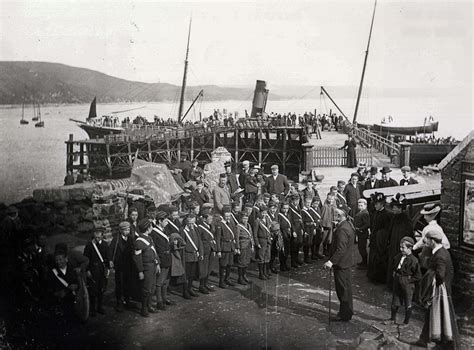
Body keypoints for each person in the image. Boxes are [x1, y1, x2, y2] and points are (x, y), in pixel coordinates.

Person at [413, 229, 459, 349]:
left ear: (432, 241)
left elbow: (440, 275)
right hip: (443, 290)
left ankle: (449, 345)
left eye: (427, 239)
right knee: (433, 315)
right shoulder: (442, 252)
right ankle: (424, 339)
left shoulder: (440, 256)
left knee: (443, 317)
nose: (425, 241)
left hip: (440, 292)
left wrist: (431, 284)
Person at [323, 209, 355, 322]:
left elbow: (341, 249)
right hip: (345, 263)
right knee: (345, 289)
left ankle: (345, 315)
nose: (333, 216)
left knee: (343, 290)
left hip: (341, 264)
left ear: (340, 216)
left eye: (335, 215)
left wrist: (331, 262)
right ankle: (347, 312)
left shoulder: (342, 230)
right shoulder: (347, 225)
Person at [385, 237, 421, 326]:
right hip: (397, 280)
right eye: (400, 247)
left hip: (407, 283)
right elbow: (394, 266)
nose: (401, 249)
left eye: (403, 248)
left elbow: (418, 275)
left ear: (410, 248)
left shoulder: (414, 261)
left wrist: (409, 280)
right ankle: (392, 319)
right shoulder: (398, 257)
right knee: (395, 300)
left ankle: (406, 322)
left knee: (408, 302)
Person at [134, 218, 160, 317]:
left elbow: (154, 252)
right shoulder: (139, 241)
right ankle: (143, 308)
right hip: (146, 267)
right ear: (147, 228)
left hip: (153, 265)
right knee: (146, 288)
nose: (152, 228)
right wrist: (140, 271)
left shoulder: (149, 238)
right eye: (150, 226)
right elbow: (137, 258)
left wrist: (157, 264)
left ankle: (149, 306)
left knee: (152, 287)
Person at [386, 194, 413, 287]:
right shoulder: (394, 217)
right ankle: (391, 283)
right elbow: (390, 230)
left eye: (395, 207)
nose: (393, 209)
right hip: (393, 244)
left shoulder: (405, 219)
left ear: (400, 208)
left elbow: (409, 234)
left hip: (401, 246)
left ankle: (398, 284)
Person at [150, 211, 175, 310]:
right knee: (159, 282)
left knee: (166, 280)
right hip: (161, 259)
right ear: (160, 221)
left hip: (168, 257)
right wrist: (157, 262)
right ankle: (159, 302)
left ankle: (165, 298)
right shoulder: (154, 232)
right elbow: (154, 249)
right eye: (165, 221)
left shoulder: (164, 230)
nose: (167, 222)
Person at [108, 221, 134, 312]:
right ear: (121, 231)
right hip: (119, 266)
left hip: (128, 265)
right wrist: (110, 260)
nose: (128, 231)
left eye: (129, 229)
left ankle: (127, 300)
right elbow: (110, 250)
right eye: (126, 230)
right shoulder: (116, 239)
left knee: (128, 283)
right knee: (119, 283)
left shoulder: (131, 238)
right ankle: (119, 302)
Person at [83, 227, 109, 316]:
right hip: (93, 270)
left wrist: (108, 268)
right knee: (93, 290)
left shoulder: (105, 245)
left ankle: (100, 307)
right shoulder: (89, 245)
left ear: (102, 236)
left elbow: (108, 258)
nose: (97, 238)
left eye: (99, 235)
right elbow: (85, 259)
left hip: (102, 270)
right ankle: (93, 309)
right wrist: (87, 270)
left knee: (101, 288)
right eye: (95, 235)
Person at [367, 193, 392, 284]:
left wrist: (381, 238)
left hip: (380, 240)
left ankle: (378, 278)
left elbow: (386, 229)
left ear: (382, 204)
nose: (375, 206)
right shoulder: (375, 213)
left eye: (377, 204)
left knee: (379, 258)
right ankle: (371, 275)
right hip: (374, 238)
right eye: (375, 204)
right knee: (373, 256)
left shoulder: (386, 214)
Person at [181, 214, 204, 298]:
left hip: (195, 255)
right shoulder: (183, 231)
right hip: (188, 256)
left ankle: (190, 288)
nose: (191, 225)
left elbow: (199, 241)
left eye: (193, 223)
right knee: (186, 275)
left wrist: (201, 253)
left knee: (192, 275)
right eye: (189, 223)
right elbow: (182, 246)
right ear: (186, 222)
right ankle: (185, 291)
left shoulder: (196, 229)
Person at [216, 206, 237, 288]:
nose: (228, 218)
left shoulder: (231, 223)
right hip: (224, 247)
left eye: (229, 216)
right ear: (223, 216)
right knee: (223, 265)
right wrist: (219, 250)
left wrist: (234, 247)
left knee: (230, 264)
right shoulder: (220, 225)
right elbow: (217, 239)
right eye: (226, 216)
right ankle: (221, 281)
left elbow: (233, 235)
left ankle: (227, 279)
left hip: (231, 246)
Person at [197, 213, 217, 293]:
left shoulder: (211, 226)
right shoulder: (200, 227)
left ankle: (206, 283)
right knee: (203, 268)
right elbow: (200, 240)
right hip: (204, 249)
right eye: (209, 219)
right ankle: (201, 285)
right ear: (204, 219)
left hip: (211, 248)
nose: (211, 220)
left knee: (209, 267)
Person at [253, 206, 272, 280]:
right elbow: (255, 233)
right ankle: (261, 274)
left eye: (265, 213)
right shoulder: (257, 221)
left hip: (267, 240)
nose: (264, 214)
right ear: (260, 213)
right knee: (261, 257)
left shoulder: (267, 219)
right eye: (263, 213)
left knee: (267, 257)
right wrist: (257, 243)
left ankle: (265, 272)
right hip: (261, 241)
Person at [235, 212, 254, 285]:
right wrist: (237, 247)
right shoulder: (238, 226)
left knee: (246, 261)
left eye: (246, 218)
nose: (245, 220)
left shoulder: (248, 225)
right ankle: (240, 278)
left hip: (248, 245)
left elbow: (251, 235)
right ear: (241, 219)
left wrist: (252, 245)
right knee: (241, 262)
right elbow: (237, 238)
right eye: (244, 218)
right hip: (242, 245)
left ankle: (244, 276)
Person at [354, 199, 370, 269]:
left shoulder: (365, 213)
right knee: (360, 248)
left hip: (362, 233)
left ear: (365, 205)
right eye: (359, 205)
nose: (360, 207)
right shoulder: (361, 212)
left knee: (362, 248)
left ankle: (365, 263)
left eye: (361, 205)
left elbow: (367, 224)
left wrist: (360, 229)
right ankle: (363, 261)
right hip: (360, 233)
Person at [289, 194, 304, 268]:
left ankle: (297, 258)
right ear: (292, 200)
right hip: (294, 228)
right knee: (294, 245)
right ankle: (293, 261)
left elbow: (301, 219)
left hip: (299, 228)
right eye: (296, 200)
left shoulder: (298, 207)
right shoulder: (290, 208)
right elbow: (290, 220)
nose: (297, 202)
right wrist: (293, 231)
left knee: (299, 244)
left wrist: (301, 228)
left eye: (298, 200)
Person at [301, 196, 317, 263]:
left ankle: (309, 257)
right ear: (304, 202)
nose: (308, 204)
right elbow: (303, 222)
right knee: (306, 243)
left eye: (309, 203)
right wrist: (304, 231)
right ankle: (306, 257)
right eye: (307, 203)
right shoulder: (303, 211)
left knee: (310, 242)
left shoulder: (311, 210)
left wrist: (314, 228)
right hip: (306, 228)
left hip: (311, 227)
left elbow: (313, 219)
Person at [277, 202, 292, 271]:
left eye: (287, 208)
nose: (286, 210)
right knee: (282, 251)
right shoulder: (279, 215)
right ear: (281, 208)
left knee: (287, 250)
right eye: (284, 208)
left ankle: (285, 263)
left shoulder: (288, 215)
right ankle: (282, 265)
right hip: (282, 234)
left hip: (288, 234)